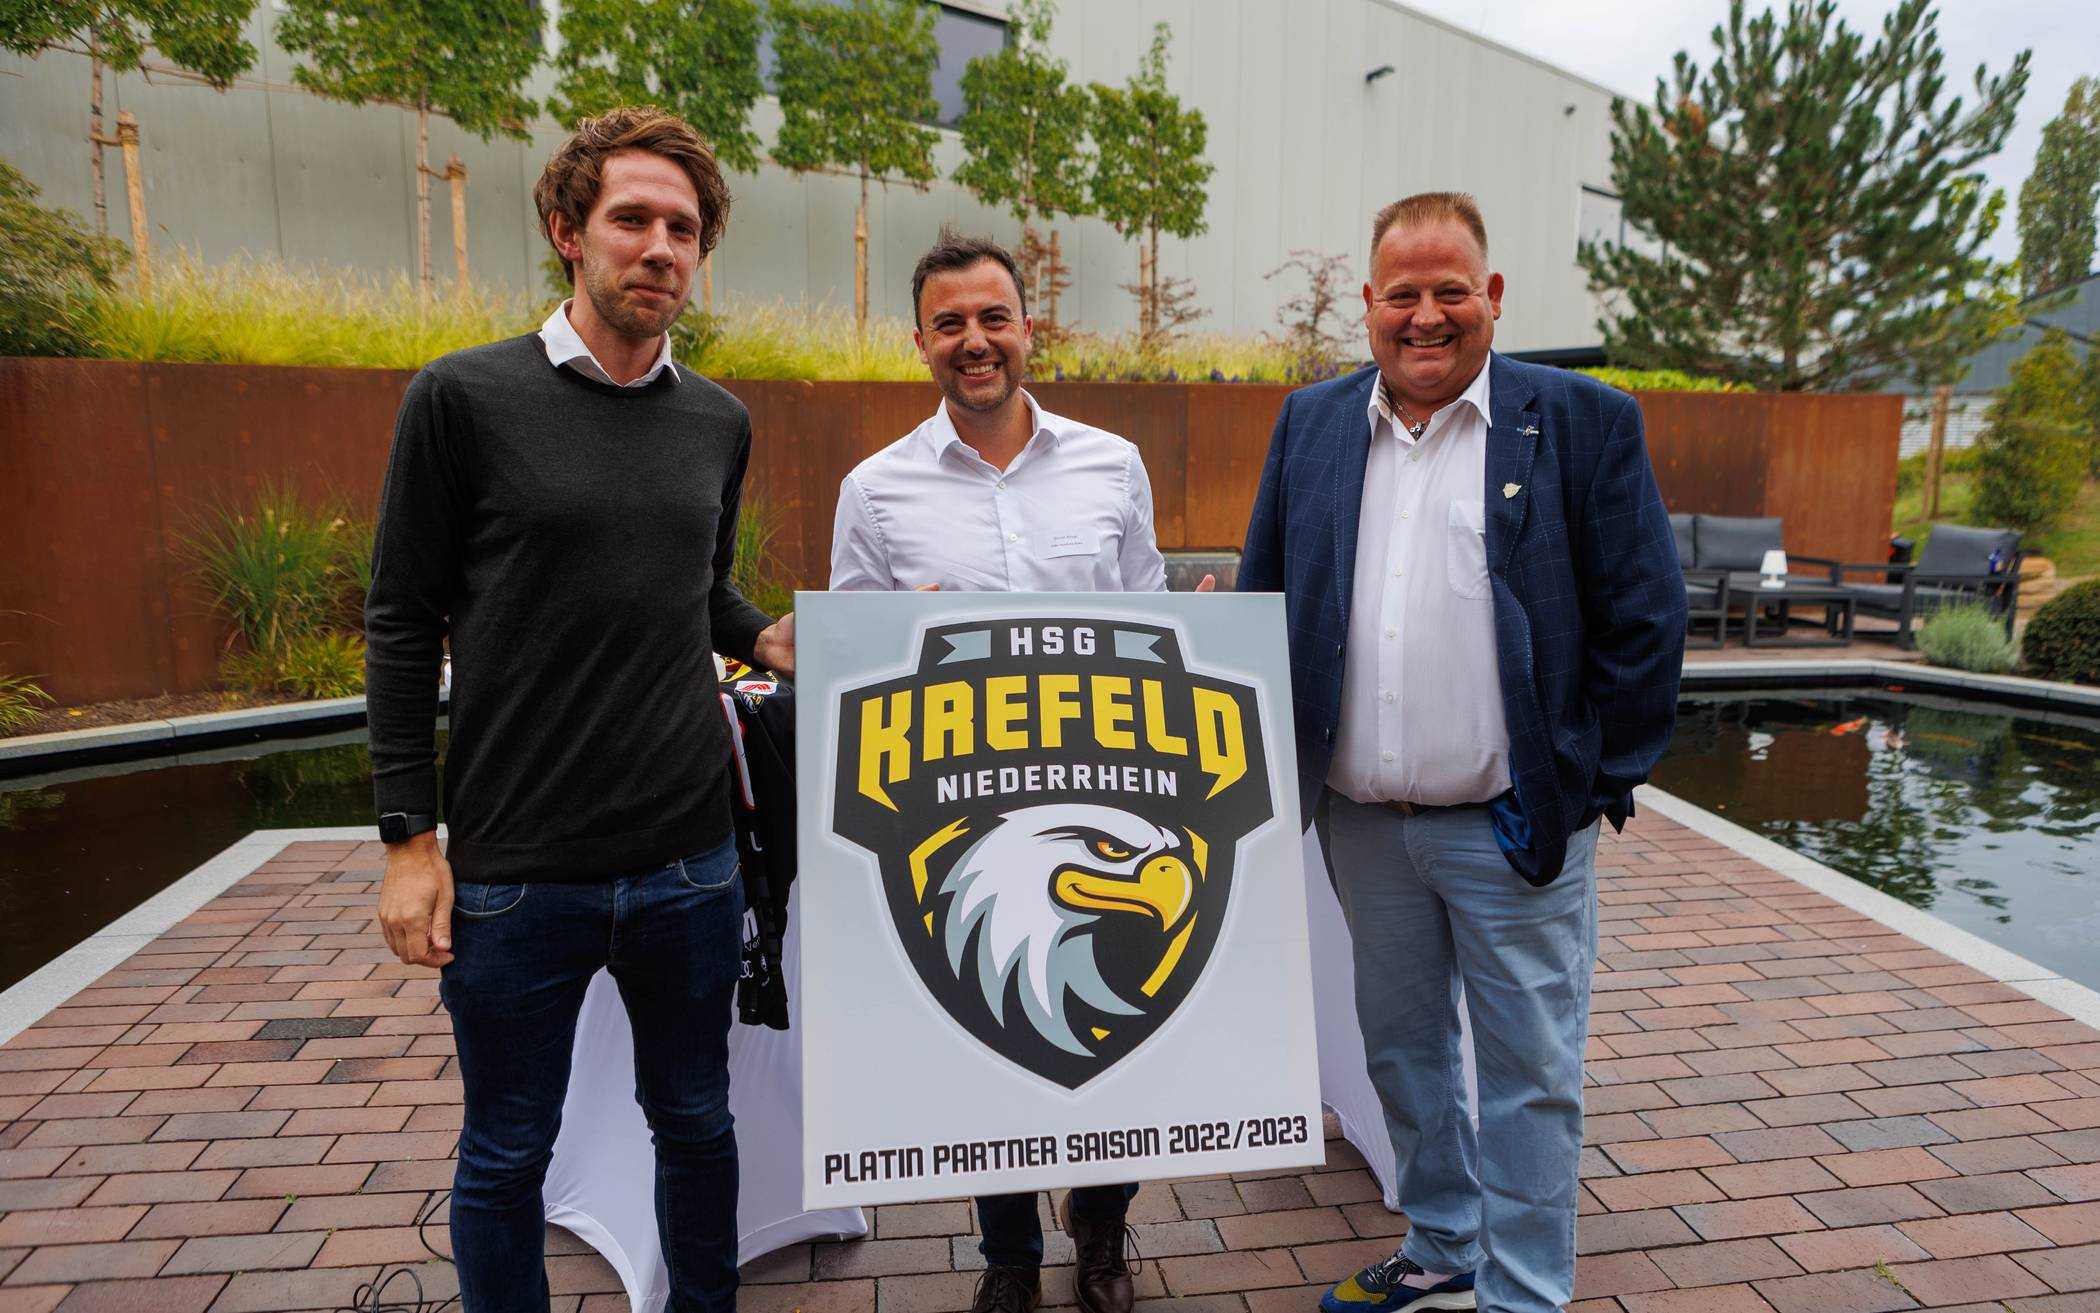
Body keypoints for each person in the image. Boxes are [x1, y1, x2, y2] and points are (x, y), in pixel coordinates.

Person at [364, 106, 793, 1313]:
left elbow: (696, 582)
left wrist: (765, 634)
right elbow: (401, 618)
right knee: (507, 1151)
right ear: (567, 230)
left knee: (697, 1122)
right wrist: (409, 840)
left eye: (684, 229)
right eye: (632, 220)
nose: (660, 248)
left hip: (690, 862)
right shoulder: (461, 398)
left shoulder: (718, 418)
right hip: (517, 871)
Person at [1238, 192, 1685, 1313]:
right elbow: (1265, 599)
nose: (1426, 316)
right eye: (1404, 293)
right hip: (1361, 825)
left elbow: (1646, 624)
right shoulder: (1311, 423)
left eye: (1450, 291)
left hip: (1512, 826)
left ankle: (1524, 1293)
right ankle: (1442, 1243)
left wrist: (1585, 786)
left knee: (1530, 1071)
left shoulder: (1582, 421)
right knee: (1404, 1053)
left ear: (1491, 296)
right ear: (1369, 302)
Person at [831, 229, 1209, 1313]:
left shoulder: (1110, 463)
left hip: (1109, 797)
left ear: (1028, 328)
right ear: (920, 342)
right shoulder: (876, 488)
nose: (975, 339)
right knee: (984, 1025)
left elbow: (1149, 619)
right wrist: (894, 635)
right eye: (949, 322)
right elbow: (853, 660)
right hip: (957, 810)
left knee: (1115, 1013)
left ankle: (1101, 1225)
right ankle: (1007, 1250)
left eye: (993, 316)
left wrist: (1203, 634)